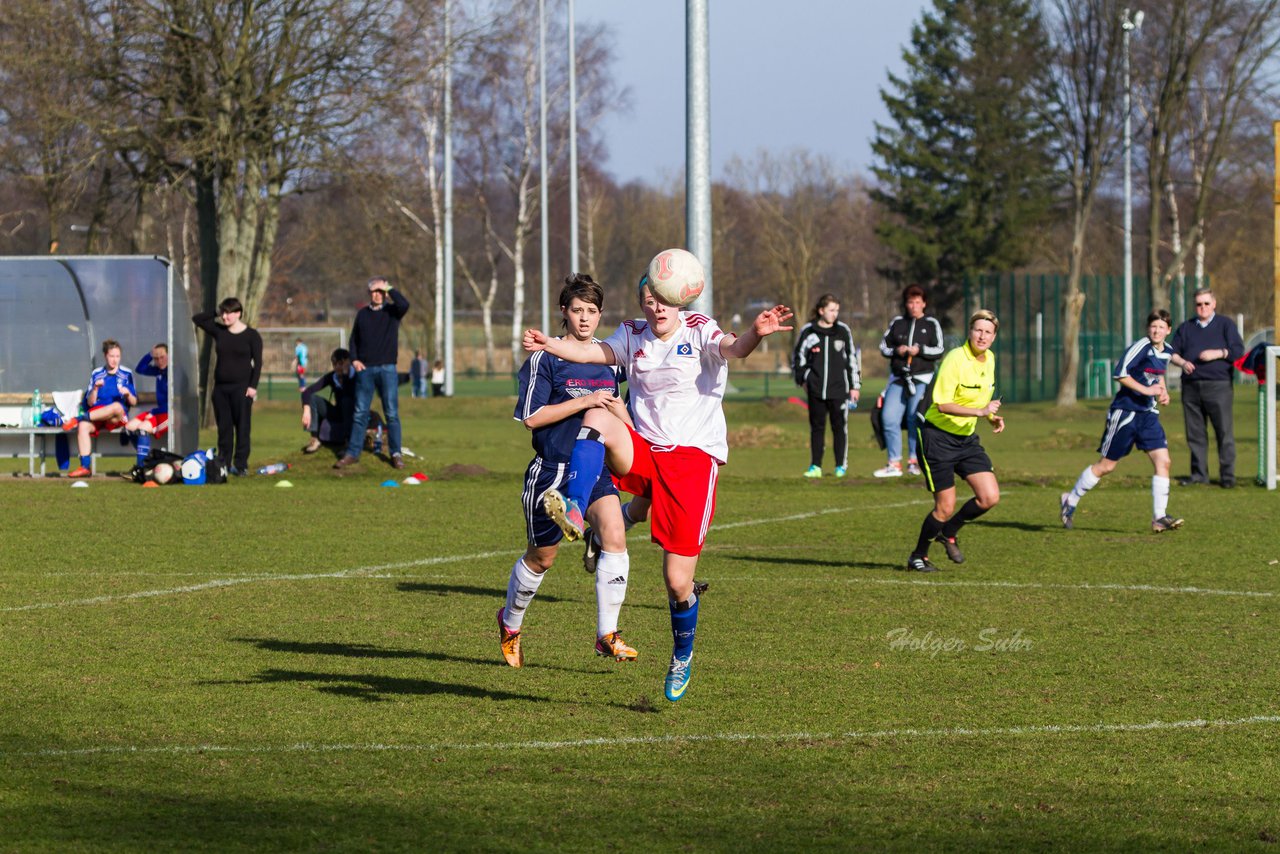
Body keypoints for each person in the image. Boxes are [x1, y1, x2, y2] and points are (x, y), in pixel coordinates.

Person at [525, 270, 793, 702]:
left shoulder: (700, 329)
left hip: (692, 462)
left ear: (682, 299)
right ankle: (575, 507)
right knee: (599, 415)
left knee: (676, 581)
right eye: (649, 299)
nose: (657, 306)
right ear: (643, 302)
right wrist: (547, 343)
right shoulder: (632, 334)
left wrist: (756, 335)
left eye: (665, 299)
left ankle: (682, 654)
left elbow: (734, 348)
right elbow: (594, 353)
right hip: (647, 450)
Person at [498, 274, 639, 668]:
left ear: (600, 315)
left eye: (592, 312)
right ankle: (510, 624)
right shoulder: (546, 358)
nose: (584, 319)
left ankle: (607, 634)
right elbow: (531, 418)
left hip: (595, 470)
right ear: (564, 312)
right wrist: (586, 402)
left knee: (614, 535)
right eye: (577, 310)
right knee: (542, 559)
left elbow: (624, 411)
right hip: (550, 472)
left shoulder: (610, 361)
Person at [1060, 310, 1183, 534]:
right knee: (1106, 466)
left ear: (1168, 330)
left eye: (1161, 327)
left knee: (1163, 461)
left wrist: (1162, 392)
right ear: (1148, 328)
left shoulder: (1167, 351)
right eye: (1153, 326)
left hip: (1148, 415)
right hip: (1125, 413)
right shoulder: (1141, 346)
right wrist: (1147, 389)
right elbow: (1120, 373)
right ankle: (1071, 499)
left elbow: (1158, 375)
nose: (1156, 330)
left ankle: (1159, 517)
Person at [905, 309, 1004, 572]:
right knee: (945, 506)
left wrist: (990, 417)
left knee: (989, 497)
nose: (982, 336)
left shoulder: (990, 359)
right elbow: (944, 403)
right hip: (937, 437)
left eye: (988, 332)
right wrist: (981, 412)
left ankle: (948, 532)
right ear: (970, 332)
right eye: (978, 330)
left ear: (994, 337)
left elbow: (980, 398)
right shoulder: (955, 359)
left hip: (966, 439)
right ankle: (918, 556)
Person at [1167, 288, 1244, 488]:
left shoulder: (1225, 325)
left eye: (1206, 303)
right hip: (1191, 387)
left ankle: (1227, 477)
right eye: (1199, 304)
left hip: (1218, 386)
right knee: (1195, 434)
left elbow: (1238, 350)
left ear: (1214, 304)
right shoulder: (1186, 328)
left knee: (1223, 432)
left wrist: (1218, 353)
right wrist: (1183, 363)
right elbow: (1172, 353)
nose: (1202, 307)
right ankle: (1199, 474)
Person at [335, 277, 410, 470]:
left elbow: (404, 304)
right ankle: (353, 453)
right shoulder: (362, 315)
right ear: (369, 293)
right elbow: (353, 340)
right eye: (374, 291)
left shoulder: (392, 312)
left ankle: (395, 454)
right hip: (366, 370)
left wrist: (388, 287)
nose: (377, 295)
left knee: (391, 413)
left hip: (387, 368)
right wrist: (355, 360)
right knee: (360, 412)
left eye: (381, 291)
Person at [875, 284, 944, 477]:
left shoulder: (931, 324)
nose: (914, 306)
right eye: (910, 302)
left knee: (916, 419)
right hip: (898, 379)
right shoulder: (897, 323)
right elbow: (883, 347)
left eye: (917, 302)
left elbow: (939, 349)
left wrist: (919, 350)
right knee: (889, 418)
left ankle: (915, 461)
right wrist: (897, 351)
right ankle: (893, 463)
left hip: (922, 379)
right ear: (906, 304)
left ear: (924, 304)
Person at [791, 293, 860, 478]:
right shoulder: (809, 331)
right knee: (817, 428)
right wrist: (803, 379)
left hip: (839, 390)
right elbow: (798, 358)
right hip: (815, 390)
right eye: (831, 310)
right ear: (821, 311)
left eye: (837, 310)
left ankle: (840, 466)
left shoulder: (843, 331)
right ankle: (815, 466)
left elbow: (852, 359)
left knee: (839, 428)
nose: (834, 314)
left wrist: (855, 386)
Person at [193, 297, 263, 477]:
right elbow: (198, 319)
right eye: (222, 313)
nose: (225, 317)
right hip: (221, 390)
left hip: (242, 389)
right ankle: (223, 463)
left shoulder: (252, 336)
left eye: (228, 313)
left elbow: (258, 362)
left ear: (238, 313)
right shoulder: (219, 332)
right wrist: (216, 312)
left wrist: (253, 386)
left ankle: (241, 465)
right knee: (224, 428)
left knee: (242, 427)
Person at [64, 339, 137, 478]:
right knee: (83, 427)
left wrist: (127, 394)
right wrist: (96, 389)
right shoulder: (97, 373)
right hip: (97, 414)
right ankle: (85, 467)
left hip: (116, 417)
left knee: (116, 406)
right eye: (111, 356)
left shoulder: (126, 374)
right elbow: (90, 403)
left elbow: (133, 401)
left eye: (117, 356)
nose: (115, 360)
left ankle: (79, 418)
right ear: (105, 356)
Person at [124, 343, 170, 478]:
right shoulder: (158, 371)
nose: (159, 361)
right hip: (158, 412)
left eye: (162, 357)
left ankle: (141, 469)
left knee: (143, 428)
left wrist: (154, 413)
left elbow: (176, 401)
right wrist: (150, 354)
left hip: (169, 414)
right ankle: (147, 461)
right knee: (129, 427)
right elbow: (140, 368)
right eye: (156, 358)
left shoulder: (173, 371)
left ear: (169, 356)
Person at [301, 348, 358, 454]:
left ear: (348, 363)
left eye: (341, 364)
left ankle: (348, 443)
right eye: (334, 364)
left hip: (355, 414)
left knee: (346, 401)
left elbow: (350, 395)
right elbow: (307, 392)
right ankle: (315, 439)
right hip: (337, 413)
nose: (337, 367)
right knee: (313, 399)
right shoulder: (332, 377)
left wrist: (345, 377)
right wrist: (306, 409)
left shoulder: (357, 376)